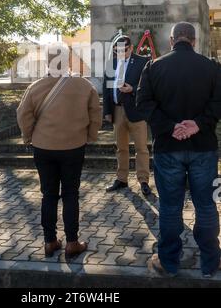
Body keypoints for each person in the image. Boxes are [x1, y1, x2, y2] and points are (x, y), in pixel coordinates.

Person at [137, 22, 221, 278]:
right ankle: (210, 261)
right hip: (204, 148)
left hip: (168, 148)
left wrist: (169, 127)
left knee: (171, 207)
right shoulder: (212, 67)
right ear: (193, 41)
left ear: (172, 40)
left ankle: (168, 262)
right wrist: (198, 124)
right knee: (206, 204)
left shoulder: (154, 66)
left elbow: (142, 103)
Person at [17, 42, 102, 258]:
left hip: (43, 147)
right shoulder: (83, 85)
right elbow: (95, 112)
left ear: (47, 60)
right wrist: (90, 136)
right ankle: (72, 242)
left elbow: (23, 114)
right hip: (74, 146)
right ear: (67, 60)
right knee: (71, 194)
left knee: (48, 194)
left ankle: (50, 241)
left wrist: (28, 136)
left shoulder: (35, 87)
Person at [103, 35, 150, 195]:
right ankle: (121, 179)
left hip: (136, 111)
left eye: (124, 50)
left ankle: (143, 181)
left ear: (131, 47)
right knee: (121, 148)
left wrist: (133, 88)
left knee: (141, 149)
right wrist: (107, 111)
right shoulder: (112, 63)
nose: (120, 53)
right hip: (117, 111)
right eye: (117, 50)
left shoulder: (142, 62)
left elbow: (148, 86)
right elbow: (106, 88)